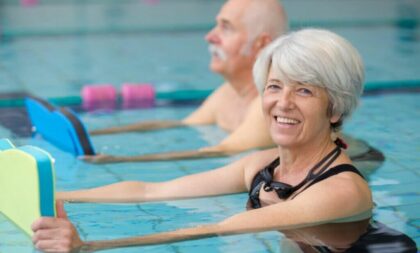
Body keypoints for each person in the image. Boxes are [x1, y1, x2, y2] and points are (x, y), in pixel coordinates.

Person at [32, 29, 376, 252]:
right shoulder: (262, 165)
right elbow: (152, 191)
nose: (282, 103)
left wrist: (87, 247)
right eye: (275, 86)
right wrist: (50, 194)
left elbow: (216, 228)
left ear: (334, 108)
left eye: (303, 90)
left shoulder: (340, 191)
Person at [82, 0, 288, 163]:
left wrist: (119, 161)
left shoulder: (268, 108)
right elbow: (181, 125)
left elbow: (218, 152)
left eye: (226, 28)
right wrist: (90, 133)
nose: (210, 36)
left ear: (261, 44)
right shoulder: (228, 92)